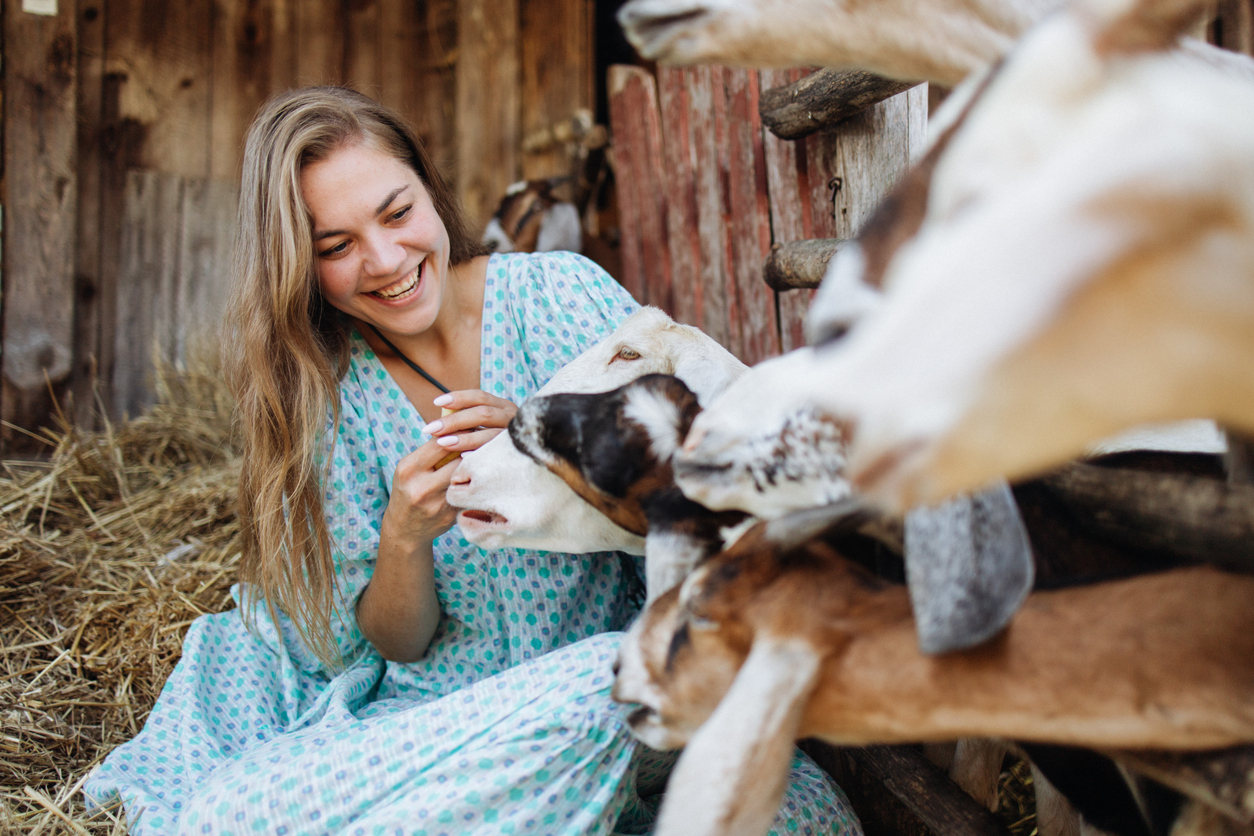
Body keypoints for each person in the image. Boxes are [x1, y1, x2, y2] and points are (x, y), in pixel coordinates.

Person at [84, 86, 861, 836]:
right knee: (226, 815)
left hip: (618, 704)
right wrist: (404, 536)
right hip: (443, 728)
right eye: (337, 246)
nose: (386, 260)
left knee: (788, 804)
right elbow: (399, 644)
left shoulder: (564, 298)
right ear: (299, 265)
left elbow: (697, 518)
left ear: (429, 187)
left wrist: (554, 450)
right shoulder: (330, 398)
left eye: (398, 213)